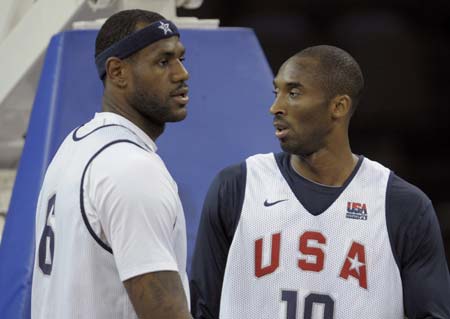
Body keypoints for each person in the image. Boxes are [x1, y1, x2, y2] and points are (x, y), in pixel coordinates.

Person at [190, 45, 450, 319]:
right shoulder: (236, 187)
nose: (275, 107)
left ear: (338, 107)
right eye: (275, 92)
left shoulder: (402, 205)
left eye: (293, 93)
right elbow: (201, 309)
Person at [31, 9, 192, 319]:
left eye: (181, 59)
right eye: (163, 61)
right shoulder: (131, 168)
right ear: (117, 72)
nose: (181, 73)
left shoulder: (74, 147)